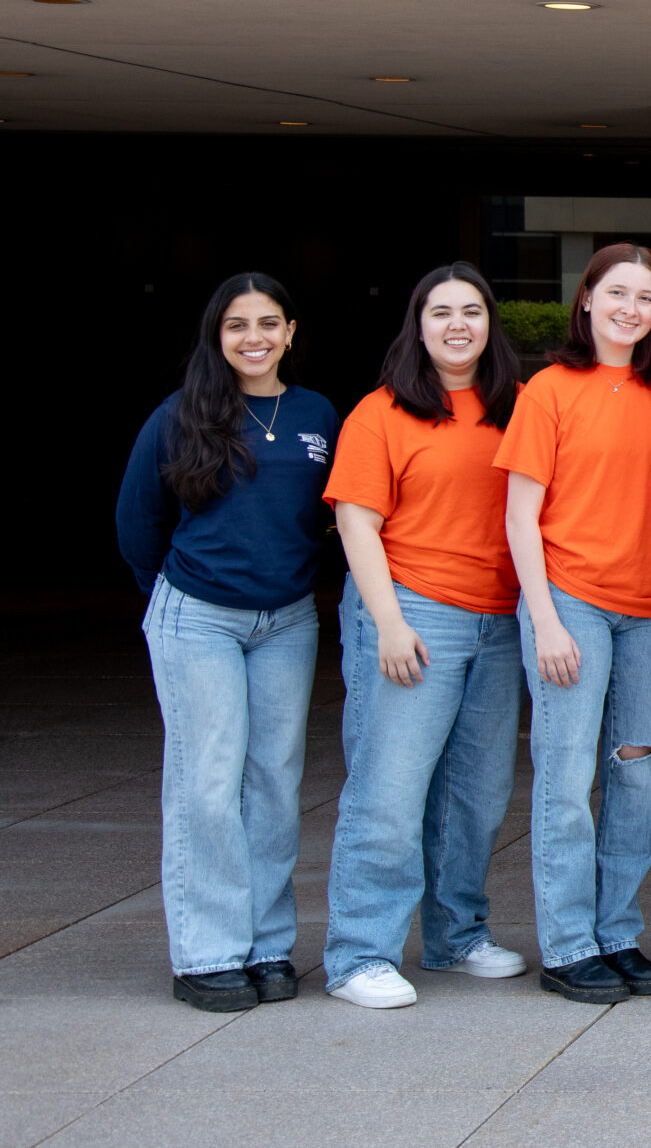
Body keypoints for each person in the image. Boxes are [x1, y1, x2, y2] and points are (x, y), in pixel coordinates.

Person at [117, 273, 338, 1013]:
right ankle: (209, 952)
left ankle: (268, 942)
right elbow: (136, 521)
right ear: (218, 335)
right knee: (207, 782)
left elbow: (332, 521)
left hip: (288, 619)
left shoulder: (315, 414)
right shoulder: (180, 416)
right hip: (199, 616)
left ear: (290, 331)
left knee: (274, 781)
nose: (254, 338)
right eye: (238, 325)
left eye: (268, 323)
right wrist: (173, 602)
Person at [322, 264, 528, 1009]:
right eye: (440, 312)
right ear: (418, 325)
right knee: (390, 789)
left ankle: (456, 933)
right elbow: (356, 522)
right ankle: (359, 953)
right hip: (413, 610)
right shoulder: (380, 413)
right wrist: (388, 622)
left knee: (476, 793)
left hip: (499, 620)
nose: (457, 325)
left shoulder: (516, 406)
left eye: (471, 311)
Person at [496, 243, 651, 1006]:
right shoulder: (549, 388)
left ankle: (617, 931)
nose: (630, 309)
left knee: (636, 774)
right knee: (568, 773)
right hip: (570, 600)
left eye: (645, 297)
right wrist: (544, 618)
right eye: (617, 293)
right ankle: (568, 943)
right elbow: (520, 514)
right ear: (586, 299)